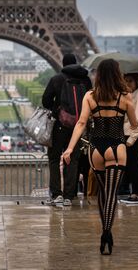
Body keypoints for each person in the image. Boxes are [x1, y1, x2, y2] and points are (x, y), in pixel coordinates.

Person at [62, 59, 138, 255]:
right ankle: (107, 233)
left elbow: (81, 123)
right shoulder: (125, 97)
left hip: (96, 148)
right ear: (117, 74)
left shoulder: (90, 96)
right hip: (117, 146)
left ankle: (104, 232)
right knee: (112, 194)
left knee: (103, 193)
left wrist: (69, 149)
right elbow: (134, 123)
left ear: (98, 75)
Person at [42, 53, 92, 206]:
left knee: (54, 158)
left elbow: (45, 101)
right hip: (78, 126)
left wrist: (57, 111)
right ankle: (69, 196)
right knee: (73, 160)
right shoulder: (85, 79)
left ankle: (56, 194)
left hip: (59, 125)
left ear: (63, 64)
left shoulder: (57, 79)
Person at [122, 73, 138, 201]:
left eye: (130, 81)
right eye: (125, 81)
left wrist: (131, 139)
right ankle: (135, 192)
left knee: (135, 166)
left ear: (136, 82)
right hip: (129, 134)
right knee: (132, 166)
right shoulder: (131, 95)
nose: (127, 84)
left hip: (133, 136)